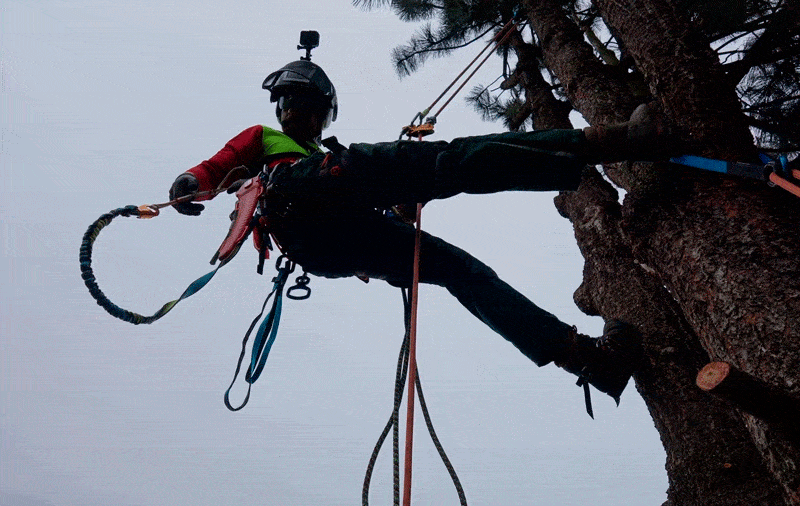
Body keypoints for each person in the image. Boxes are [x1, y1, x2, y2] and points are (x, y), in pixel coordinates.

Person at [169, 59, 670, 408]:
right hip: (304, 202)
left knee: (461, 270)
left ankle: (586, 360)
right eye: (288, 105)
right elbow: (222, 163)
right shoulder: (274, 147)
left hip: (335, 241)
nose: (290, 114)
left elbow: (369, 199)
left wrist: (403, 202)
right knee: (446, 159)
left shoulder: (323, 158)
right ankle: (607, 144)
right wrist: (192, 184)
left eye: (299, 106)